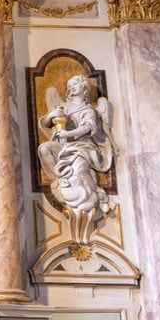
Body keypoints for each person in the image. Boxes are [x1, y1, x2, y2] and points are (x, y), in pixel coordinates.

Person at [37, 74, 116, 241]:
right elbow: (44, 123)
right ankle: (61, 178)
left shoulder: (88, 110)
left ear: (84, 88)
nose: (71, 87)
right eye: (70, 85)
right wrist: (52, 115)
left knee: (80, 172)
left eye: (75, 84)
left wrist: (68, 133)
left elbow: (86, 129)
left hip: (82, 147)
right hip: (63, 145)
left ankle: (95, 193)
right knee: (44, 149)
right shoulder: (64, 107)